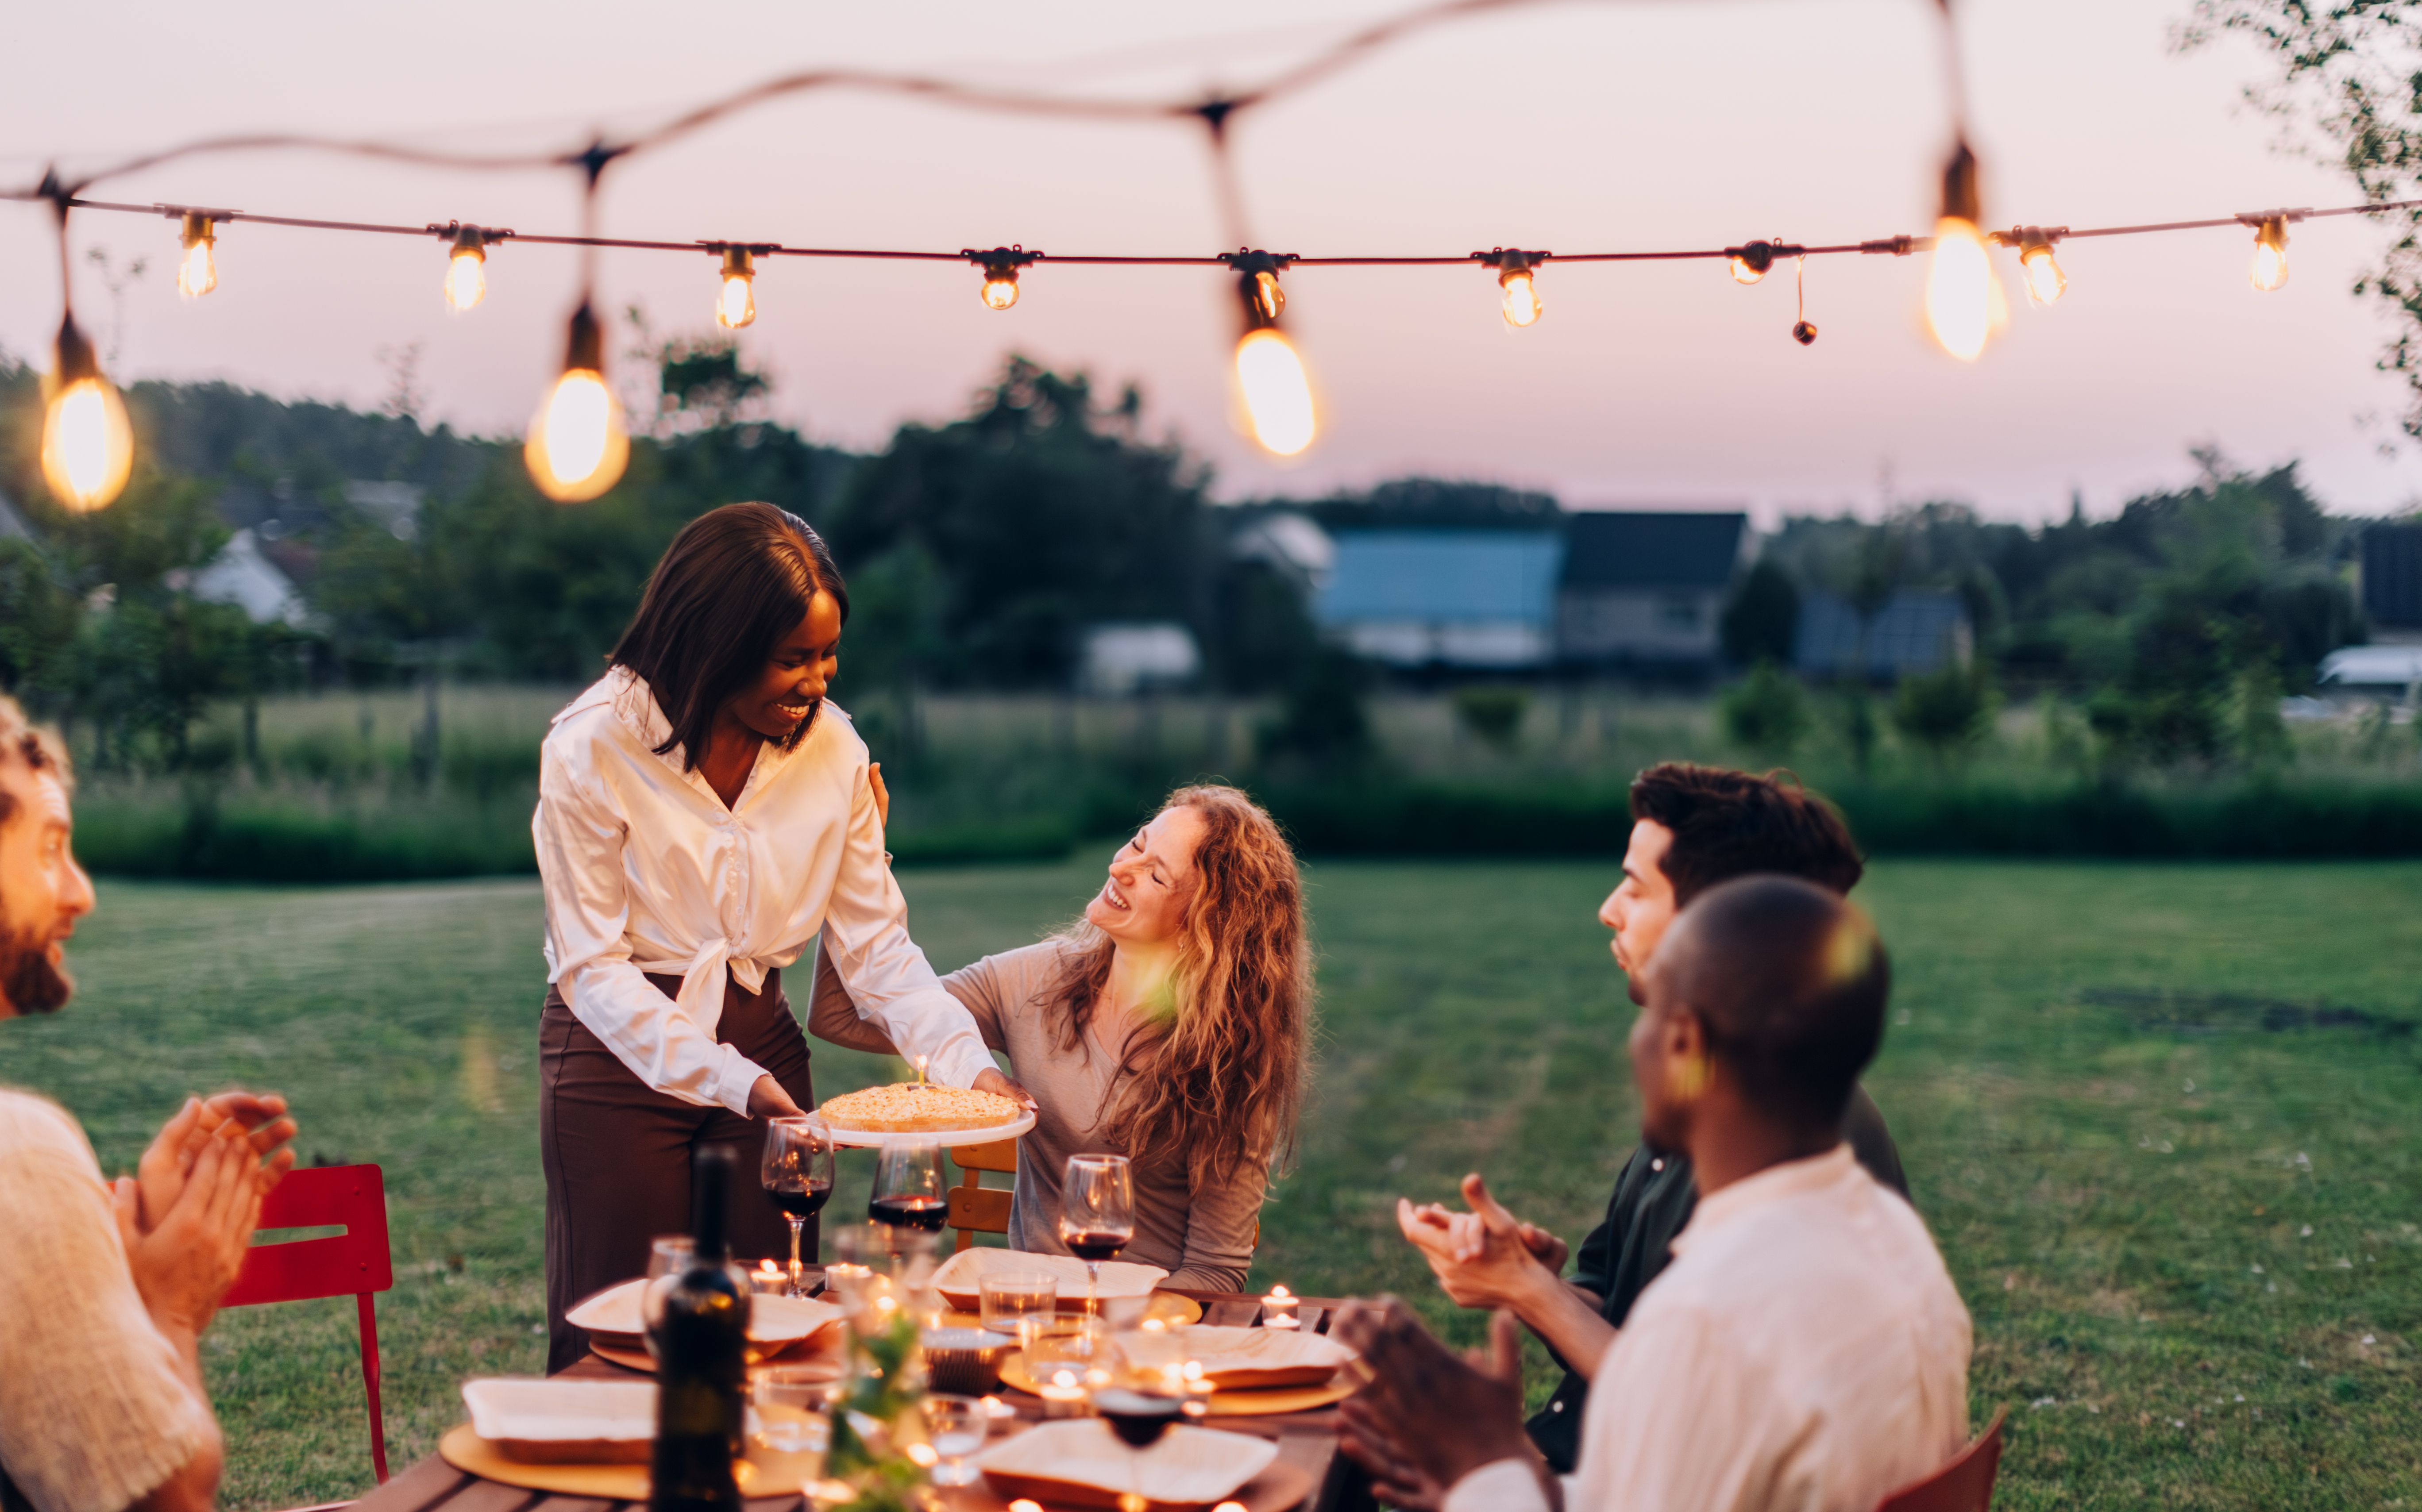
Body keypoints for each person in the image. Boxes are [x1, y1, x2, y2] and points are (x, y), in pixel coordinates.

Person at [534, 503, 1024, 1370]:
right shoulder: (592, 745)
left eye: (828, 655)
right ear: (715, 644)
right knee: (618, 1340)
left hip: (765, 1040)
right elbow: (592, 969)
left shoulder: (835, 751)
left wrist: (967, 1067)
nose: (817, 681)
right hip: (616, 1058)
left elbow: (877, 951)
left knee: (774, 1328)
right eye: (792, 658)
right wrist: (734, 1081)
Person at [1337, 876, 1971, 1512]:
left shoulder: (1706, 1318)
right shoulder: (1895, 1234)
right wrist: (1522, 1485)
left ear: (1684, 1043)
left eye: (1653, 1014)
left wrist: (1484, 1466)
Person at [1395, 763, 1907, 1475]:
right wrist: (1525, 1278)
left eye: (1635, 888)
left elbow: (1693, 1410)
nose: (1608, 910)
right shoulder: (1721, 1096)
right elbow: (1635, 1322)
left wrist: (1529, 1294)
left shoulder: (1783, 1153)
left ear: (1714, 925)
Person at [809, 785, 1310, 1294]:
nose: (1121, 868)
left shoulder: (1228, 1056)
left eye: (1156, 875)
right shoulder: (1035, 980)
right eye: (1138, 844)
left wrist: (1113, 1323)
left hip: (1148, 1315)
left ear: (1202, 927)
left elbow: (1214, 1272)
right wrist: (860, 868)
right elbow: (841, 1017)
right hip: (1024, 1308)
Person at [0, 696, 299, 1512]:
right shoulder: (19, 1152)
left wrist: (104, 1279)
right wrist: (169, 1309)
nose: (81, 893)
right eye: (48, 849)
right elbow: (170, 1493)